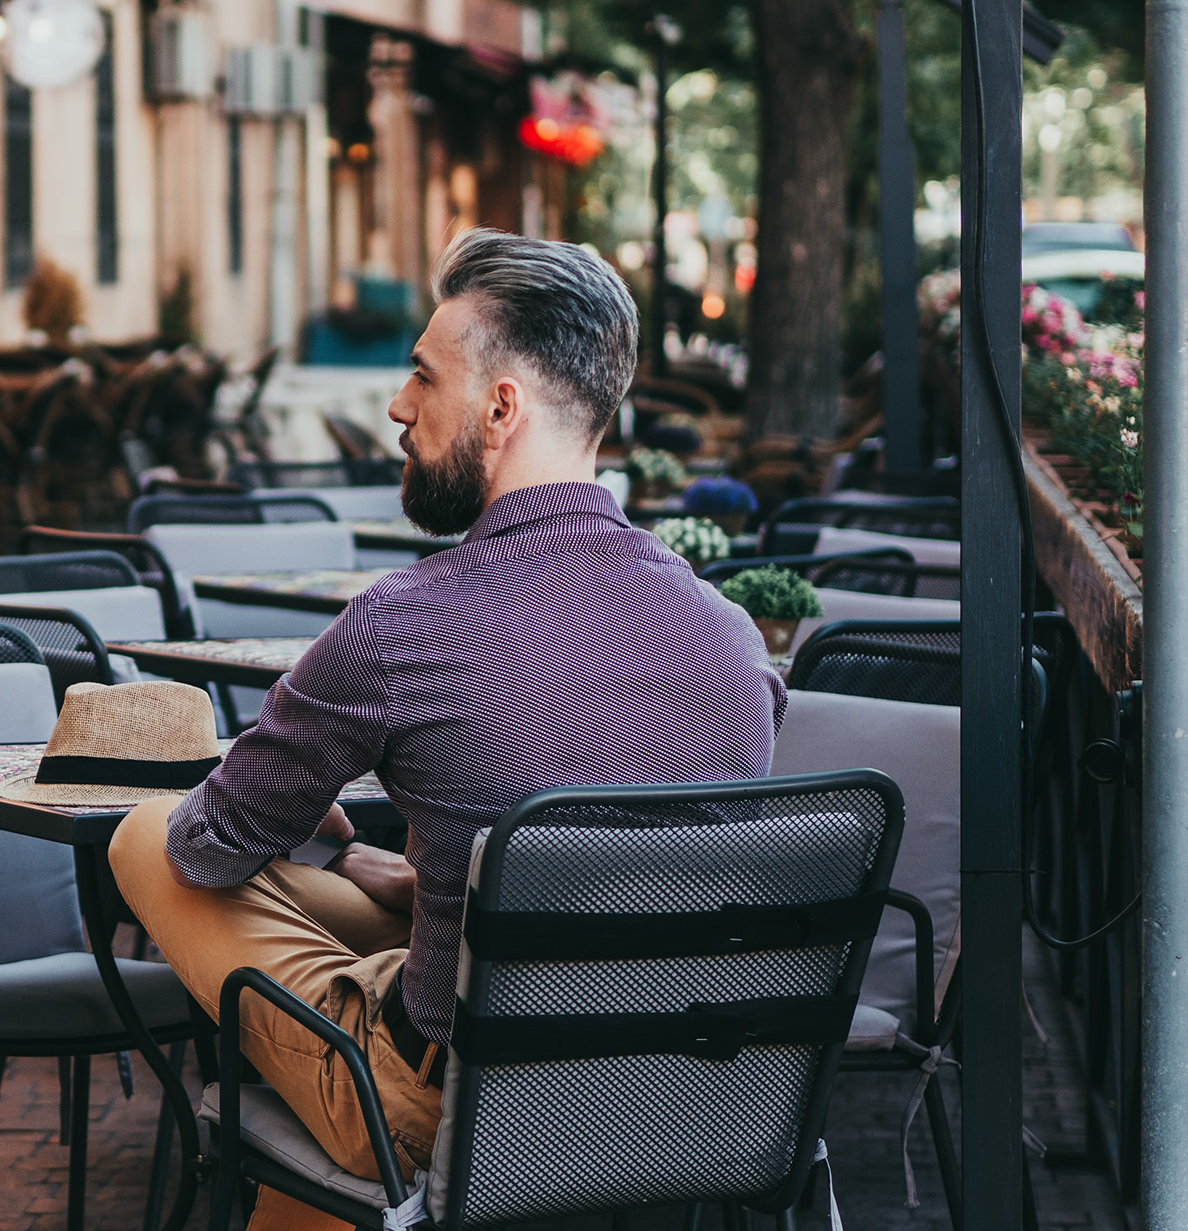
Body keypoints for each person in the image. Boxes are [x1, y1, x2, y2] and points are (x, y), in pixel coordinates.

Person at [109, 229, 786, 1228]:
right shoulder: (732, 639)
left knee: (145, 838)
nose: (395, 405)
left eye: (421, 377)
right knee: (389, 907)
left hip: (453, 1101)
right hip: (678, 1091)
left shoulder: (401, 623)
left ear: (499, 405)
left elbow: (212, 846)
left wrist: (331, 834)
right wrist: (404, 875)